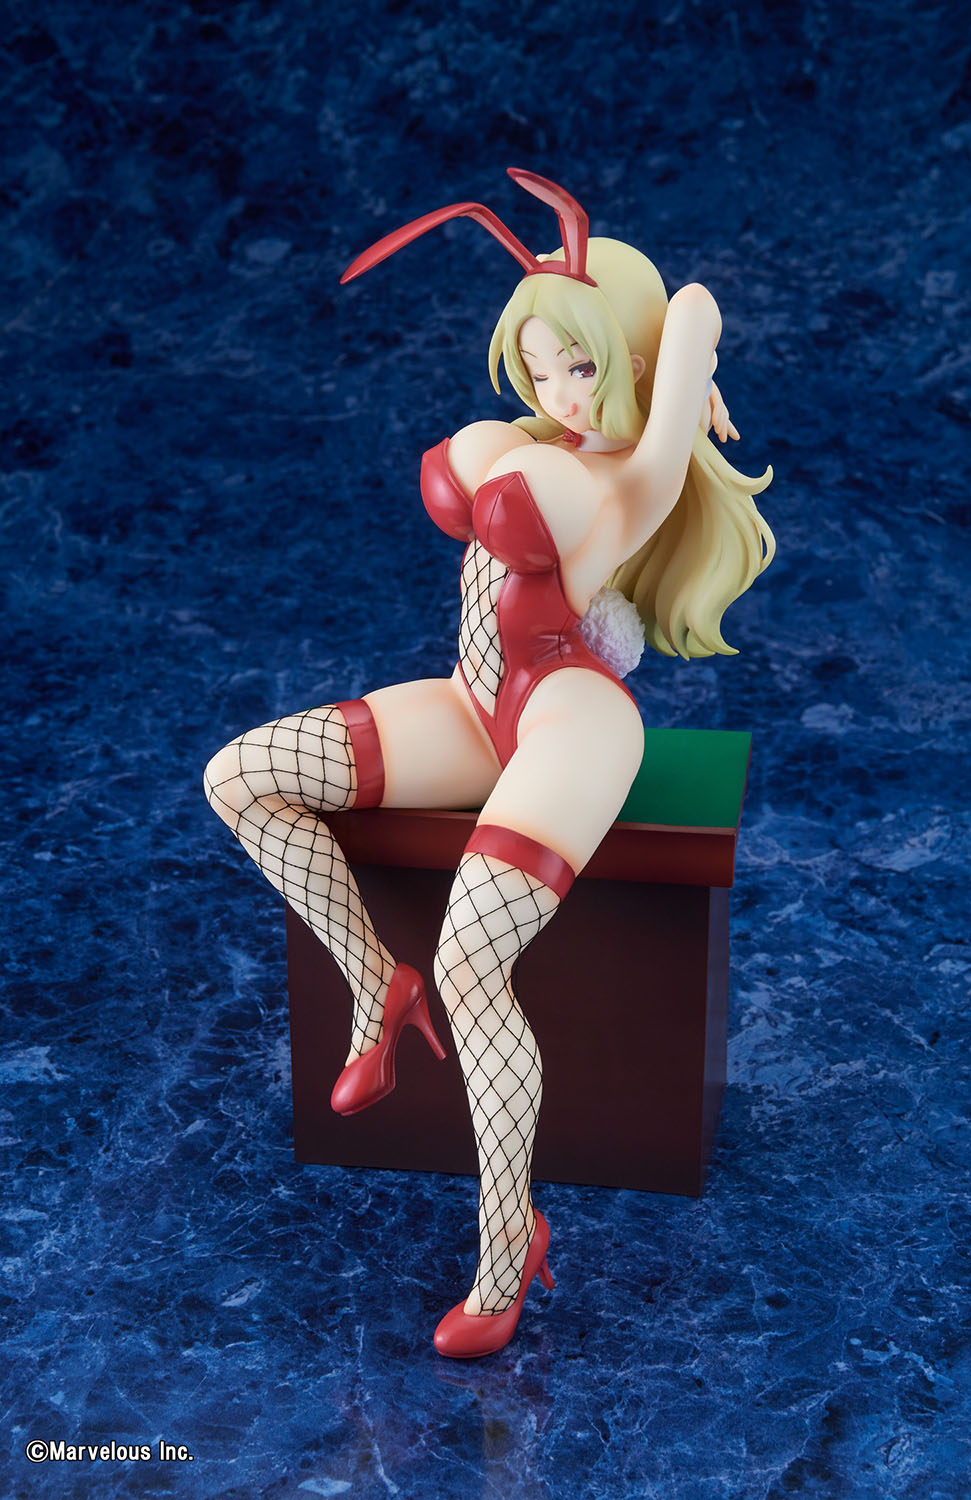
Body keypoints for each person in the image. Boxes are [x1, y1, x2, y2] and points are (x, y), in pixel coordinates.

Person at [204, 169, 774, 1359]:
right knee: (242, 777)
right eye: (540, 365)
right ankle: (375, 982)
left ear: (629, 361)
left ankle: (507, 1239)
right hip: (472, 702)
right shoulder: (528, 440)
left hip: (570, 709)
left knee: (474, 961)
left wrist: (687, 373)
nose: (561, 392)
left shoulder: (635, 478)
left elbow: (698, 303)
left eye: (583, 364)